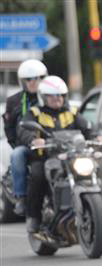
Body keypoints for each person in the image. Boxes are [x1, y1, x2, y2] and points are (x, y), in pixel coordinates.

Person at [16, 75, 96, 234]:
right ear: (43, 97)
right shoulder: (35, 113)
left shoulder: (72, 112)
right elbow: (23, 130)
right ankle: (34, 217)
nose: (57, 98)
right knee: (38, 175)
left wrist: (96, 136)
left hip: (71, 156)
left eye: (60, 95)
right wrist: (33, 139)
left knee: (92, 168)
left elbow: (87, 128)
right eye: (52, 95)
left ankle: (92, 210)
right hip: (45, 157)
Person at [2, 59, 48, 215]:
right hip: (28, 146)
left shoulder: (52, 97)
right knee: (17, 155)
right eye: (30, 79)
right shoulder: (14, 101)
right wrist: (23, 142)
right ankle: (21, 197)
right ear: (23, 81)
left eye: (39, 77)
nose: (35, 82)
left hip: (52, 144)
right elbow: (10, 128)